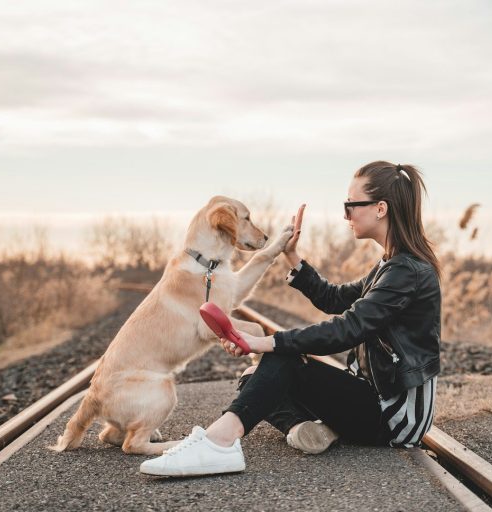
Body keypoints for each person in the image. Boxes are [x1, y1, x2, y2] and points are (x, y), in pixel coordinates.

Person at [140, 161, 442, 477]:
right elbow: (334, 298)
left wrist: (268, 341)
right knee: (253, 378)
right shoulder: (390, 266)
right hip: (373, 397)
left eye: (350, 205)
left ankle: (219, 442)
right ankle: (307, 428)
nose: (345, 215)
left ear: (380, 208)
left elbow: (348, 328)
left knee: (278, 363)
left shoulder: (406, 272)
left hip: (395, 416)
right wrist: (292, 256)